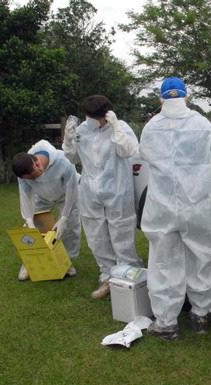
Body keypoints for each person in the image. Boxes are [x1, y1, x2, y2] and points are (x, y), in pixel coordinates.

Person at [139, 76, 211, 340]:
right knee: (200, 257)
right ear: (186, 96)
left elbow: (145, 155)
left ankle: (166, 323)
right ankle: (202, 315)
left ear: (162, 98)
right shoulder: (202, 124)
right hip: (196, 203)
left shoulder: (151, 127)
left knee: (164, 261)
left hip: (162, 204)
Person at [63, 95, 143, 299]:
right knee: (95, 234)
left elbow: (129, 151)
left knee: (121, 231)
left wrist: (115, 128)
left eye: (100, 119)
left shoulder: (120, 127)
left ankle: (129, 276)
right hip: (90, 189)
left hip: (117, 188)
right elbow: (71, 158)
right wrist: (68, 140)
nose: (96, 123)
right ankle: (107, 276)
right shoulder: (82, 131)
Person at [12, 140, 81, 280]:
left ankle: (66, 262)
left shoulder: (64, 162)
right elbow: (25, 196)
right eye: (29, 179)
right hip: (41, 197)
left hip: (66, 195)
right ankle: (29, 263)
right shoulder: (23, 172)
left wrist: (64, 218)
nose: (32, 180)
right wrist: (29, 219)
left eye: (34, 176)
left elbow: (72, 190)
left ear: (37, 163)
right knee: (36, 228)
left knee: (70, 227)